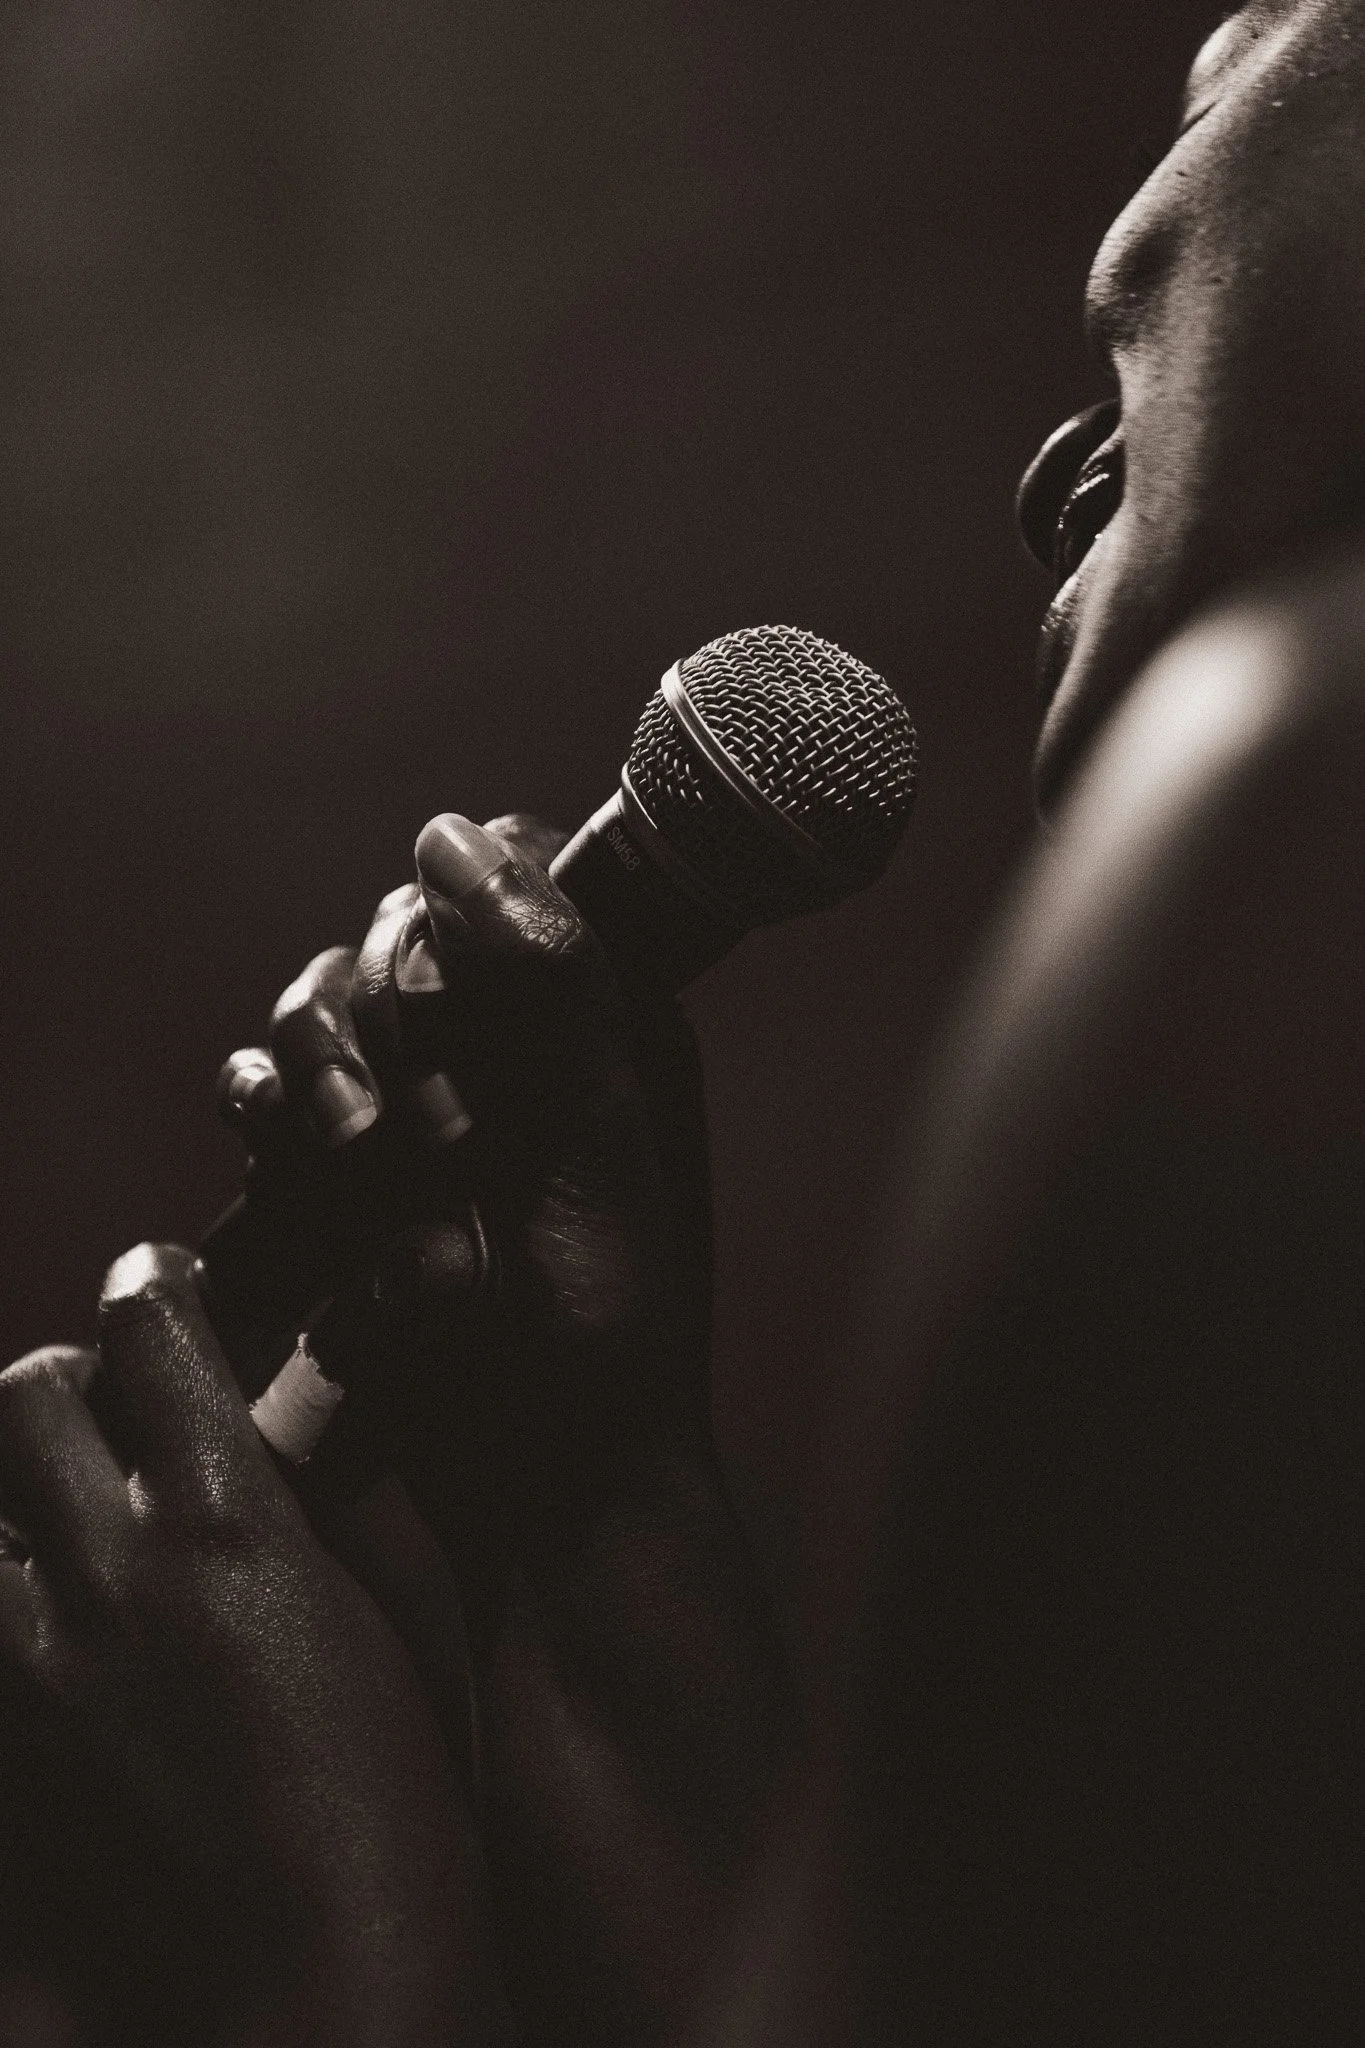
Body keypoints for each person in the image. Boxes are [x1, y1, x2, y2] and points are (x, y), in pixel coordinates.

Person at [5, 0, 1365, 2036]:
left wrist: (305, 1941)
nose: (1054, 474)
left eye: (1132, 357)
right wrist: (593, 1529)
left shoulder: (1295, 800)